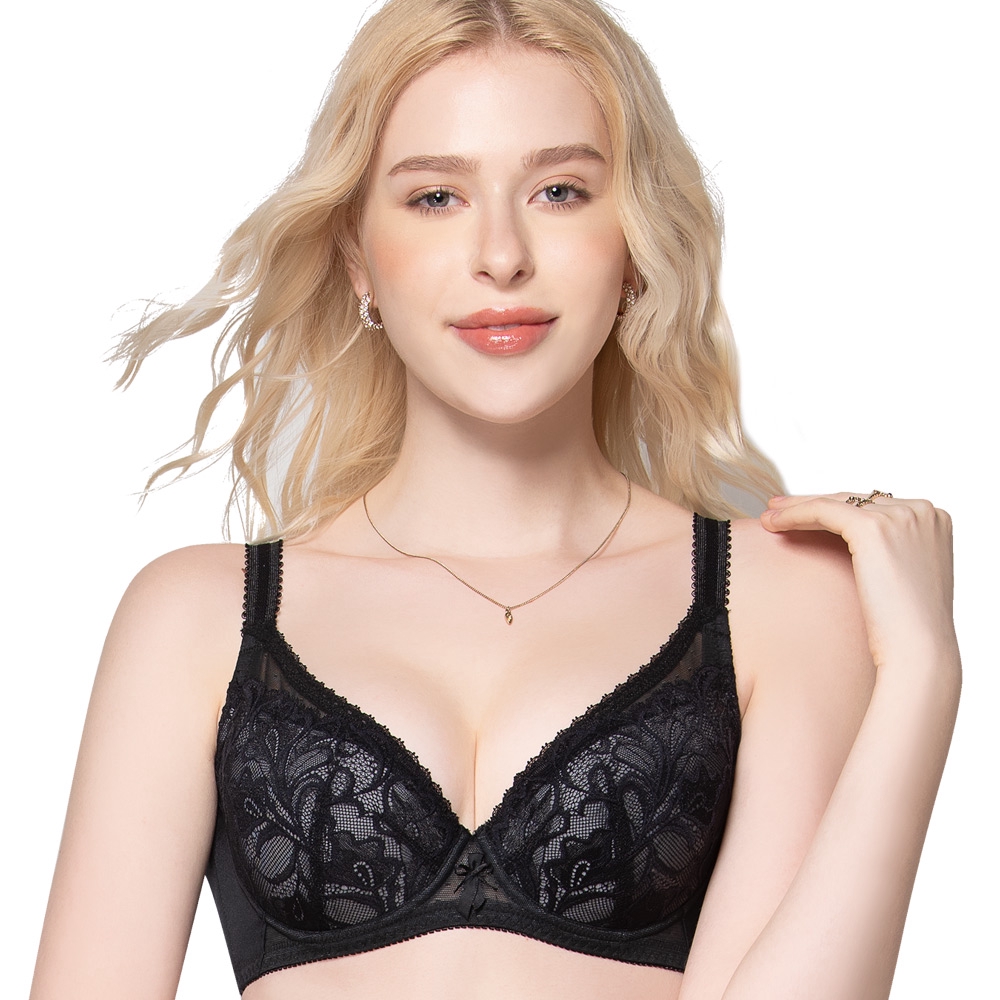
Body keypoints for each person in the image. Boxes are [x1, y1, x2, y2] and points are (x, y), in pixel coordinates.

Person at [29, 1, 960, 997]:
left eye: (560, 191)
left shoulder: (778, 594)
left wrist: (922, 679)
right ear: (357, 256)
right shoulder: (196, 616)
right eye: (436, 197)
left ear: (634, 240)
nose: (502, 255)